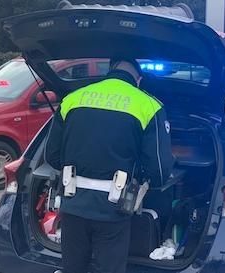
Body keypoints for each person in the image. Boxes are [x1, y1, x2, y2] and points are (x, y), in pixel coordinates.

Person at [45, 58, 174, 273]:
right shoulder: (148, 105)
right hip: (113, 209)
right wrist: (141, 178)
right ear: (138, 80)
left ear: (110, 71)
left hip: (72, 203)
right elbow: (158, 170)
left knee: (73, 268)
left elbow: (52, 155)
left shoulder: (73, 99)